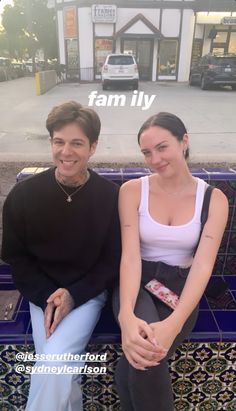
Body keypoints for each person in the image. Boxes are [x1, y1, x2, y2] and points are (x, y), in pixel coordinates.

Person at [1, 101, 121, 411]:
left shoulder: (110, 196)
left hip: (87, 294)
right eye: (59, 141)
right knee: (58, 371)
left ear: (93, 147)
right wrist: (46, 296)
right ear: (51, 142)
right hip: (42, 294)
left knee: (52, 362)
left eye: (77, 143)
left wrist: (73, 294)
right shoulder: (24, 196)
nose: (66, 152)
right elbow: (17, 257)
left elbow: (111, 261)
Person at [113, 112, 228, 411]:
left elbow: (203, 265)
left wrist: (174, 323)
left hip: (180, 287)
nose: (154, 159)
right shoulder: (132, 191)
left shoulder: (213, 200)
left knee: (135, 365)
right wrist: (126, 314)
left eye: (162, 147)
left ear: (184, 141)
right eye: (146, 152)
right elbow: (129, 256)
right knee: (146, 358)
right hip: (135, 283)